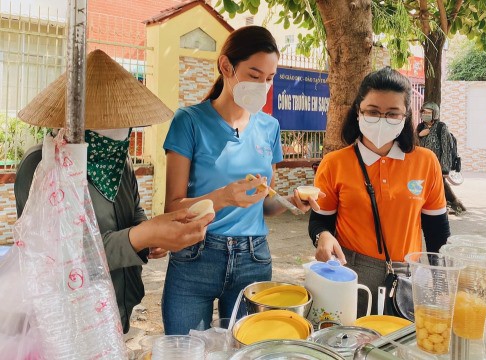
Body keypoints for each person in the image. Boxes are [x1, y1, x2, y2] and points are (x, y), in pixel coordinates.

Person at [14, 49, 214, 333]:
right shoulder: (41, 167)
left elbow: (134, 211)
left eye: (123, 121)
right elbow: (61, 254)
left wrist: (150, 233)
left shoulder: (119, 161)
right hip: (66, 322)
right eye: (107, 121)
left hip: (116, 304)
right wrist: (143, 235)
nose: (119, 130)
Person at [161, 26, 320, 335]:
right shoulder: (189, 122)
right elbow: (173, 208)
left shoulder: (269, 127)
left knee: (247, 351)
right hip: (196, 253)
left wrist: (289, 201)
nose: (263, 85)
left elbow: (262, 204)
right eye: (254, 74)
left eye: (270, 78)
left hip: (253, 257)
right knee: (185, 353)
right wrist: (224, 197)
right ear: (226, 67)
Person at [308, 67, 450, 316]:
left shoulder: (426, 162)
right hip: (351, 274)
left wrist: (443, 283)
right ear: (358, 112)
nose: (382, 119)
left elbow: (437, 231)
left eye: (392, 113)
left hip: (408, 277)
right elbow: (321, 220)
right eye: (373, 112)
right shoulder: (335, 163)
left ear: (406, 116)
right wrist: (322, 236)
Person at [417, 102, 466, 214]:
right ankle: (448, 203)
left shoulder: (441, 127)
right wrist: (419, 135)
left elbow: (446, 148)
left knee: (439, 184)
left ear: (435, 114)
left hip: (437, 163)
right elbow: (414, 145)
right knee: (430, 184)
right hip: (423, 163)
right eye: (424, 112)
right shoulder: (420, 127)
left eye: (428, 112)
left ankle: (452, 203)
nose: (425, 114)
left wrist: (444, 168)